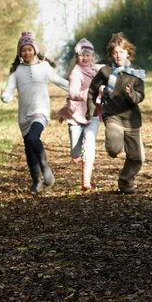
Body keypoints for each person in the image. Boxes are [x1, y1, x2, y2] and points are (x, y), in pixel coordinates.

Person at [1, 31, 69, 194]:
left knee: (33, 138)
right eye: (23, 50)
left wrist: (79, 88)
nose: (27, 53)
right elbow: (9, 93)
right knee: (28, 148)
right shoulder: (16, 70)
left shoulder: (44, 67)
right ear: (19, 53)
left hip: (41, 111)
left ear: (35, 50)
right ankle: (36, 181)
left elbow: (59, 81)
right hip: (24, 114)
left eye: (29, 49)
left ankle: (45, 168)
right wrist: (4, 96)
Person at [86, 32, 146, 195]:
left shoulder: (136, 72)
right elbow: (92, 90)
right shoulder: (105, 72)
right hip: (112, 116)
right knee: (114, 148)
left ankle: (125, 181)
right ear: (110, 55)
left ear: (128, 52)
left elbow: (140, 95)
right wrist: (90, 110)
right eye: (114, 52)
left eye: (121, 51)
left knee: (137, 158)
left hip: (132, 120)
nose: (118, 55)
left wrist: (132, 95)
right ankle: (113, 148)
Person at [58, 38, 103, 191]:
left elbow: (111, 71)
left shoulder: (97, 70)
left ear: (93, 56)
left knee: (90, 143)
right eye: (81, 55)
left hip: (93, 114)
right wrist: (88, 93)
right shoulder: (75, 73)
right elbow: (73, 92)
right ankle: (75, 154)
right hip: (76, 115)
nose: (85, 58)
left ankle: (86, 181)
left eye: (88, 54)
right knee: (75, 149)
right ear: (76, 57)